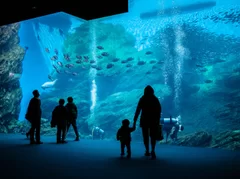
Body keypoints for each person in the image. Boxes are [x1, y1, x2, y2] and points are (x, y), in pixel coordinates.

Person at [133, 85, 161, 159]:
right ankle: (153, 150)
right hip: (154, 120)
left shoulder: (142, 99)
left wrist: (135, 120)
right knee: (153, 136)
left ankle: (147, 151)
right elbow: (159, 111)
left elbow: (138, 110)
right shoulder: (155, 99)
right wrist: (158, 121)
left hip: (144, 120)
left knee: (145, 136)